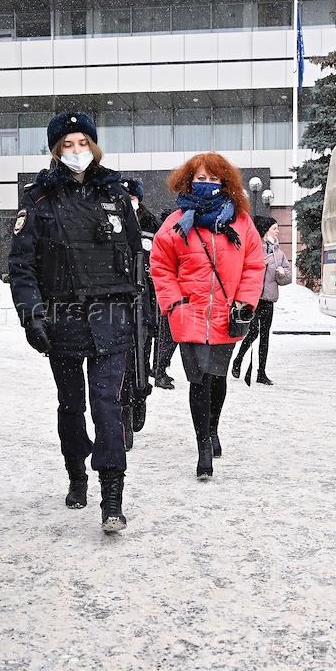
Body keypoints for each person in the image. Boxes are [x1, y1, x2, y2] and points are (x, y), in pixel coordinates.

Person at [8, 112, 141, 532]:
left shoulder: (116, 194)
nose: (76, 151)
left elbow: (136, 257)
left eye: (83, 142)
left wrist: (144, 318)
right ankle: (76, 473)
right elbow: (22, 265)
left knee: (107, 404)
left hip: (111, 316)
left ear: (95, 146)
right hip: (63, 317)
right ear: (55, 150)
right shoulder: (39, 199)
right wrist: (32, 314)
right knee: (71, 405)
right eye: (67, 144)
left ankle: (112, 494)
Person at [150, 153, 265, 480]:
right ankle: (203, 446)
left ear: (225, 182)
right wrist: (174, 303)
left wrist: (245, 301)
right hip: (189, 313)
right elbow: (161, 265)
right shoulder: (176, 222)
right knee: (198, 379)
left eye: (214, 179)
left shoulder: (240, 222)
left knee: (217, 377)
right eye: (201, 179)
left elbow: (254, 264)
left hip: (228, 314)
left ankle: (213, 428)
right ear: (189, 181)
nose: (207, 184)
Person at [119, 177, 160, 448]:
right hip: (119, 305)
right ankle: (124, 409)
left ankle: (140, 394)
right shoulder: (115, 222)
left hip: (145, 303)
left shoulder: (150, 224)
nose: (128, 202)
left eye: (132, 198)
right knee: (122, 362)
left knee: (142, 358)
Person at [231, 215, 292, 385]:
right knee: (252, 333)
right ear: (265, 231)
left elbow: (287, 278)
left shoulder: (279, 254)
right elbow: (243, 268)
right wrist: (259, 265)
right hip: (253, 299)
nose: (278, 231)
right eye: (274, 228)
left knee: (265, 336)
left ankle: (261, 373)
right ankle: (238, 359)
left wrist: (282, 274)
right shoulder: (254, 249)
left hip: (268, 300)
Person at [152, 207, 180, 390]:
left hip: (171, 292)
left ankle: (160, 368)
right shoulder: (167, 238)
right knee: (165, 336)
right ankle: (159, 370)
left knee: (167, 336)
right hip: (167, 293)